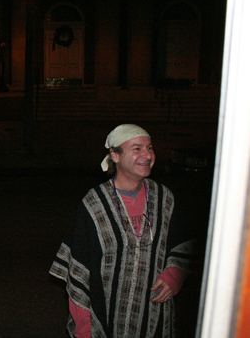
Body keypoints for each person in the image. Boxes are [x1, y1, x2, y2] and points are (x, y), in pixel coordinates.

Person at [49, 124, 197, 338]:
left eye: (150, 148)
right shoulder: (94, 203)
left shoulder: (164, 198)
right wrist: (83, 329)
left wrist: (174, 275)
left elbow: (186, 244)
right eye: (137, 149)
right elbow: (79, 269)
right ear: (115, 155)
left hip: (155, 316)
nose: (147, 155)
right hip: (106, 318)